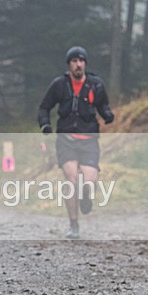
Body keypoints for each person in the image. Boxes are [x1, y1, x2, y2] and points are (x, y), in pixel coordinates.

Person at [38, 46, 114, 239]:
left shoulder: (95, 84)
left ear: (85, 64)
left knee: (89, 181)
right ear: (69, 64)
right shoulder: (59, 85)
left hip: (89, 140)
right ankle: (74, 224)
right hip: (66, 140)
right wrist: (45, 125)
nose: (78, 64)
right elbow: (44, 107)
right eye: (74, 61)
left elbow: (103, 105)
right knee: (71, 179)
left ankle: (86, 196)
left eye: (81, 61)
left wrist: (107, 115)